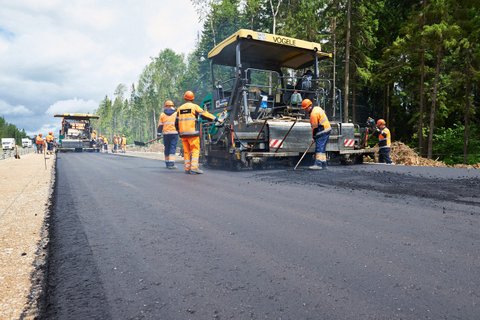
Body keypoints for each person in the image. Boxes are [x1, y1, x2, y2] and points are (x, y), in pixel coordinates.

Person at [176, 90, 216, 174]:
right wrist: (215, 118)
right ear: (192, 98)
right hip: (192, 133)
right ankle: (194, 168)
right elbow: (204, 114)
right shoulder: (194, 107)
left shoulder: (179, 109)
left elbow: (176, 123)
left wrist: (179, 131)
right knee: (195, 149)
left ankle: (187, 168)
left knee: (186, 151)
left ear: (185, 98)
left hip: (183, 134)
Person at [301, 99, 331, 170]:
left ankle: (318, 164)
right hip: (327, 129)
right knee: (322, 148)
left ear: (309, 107)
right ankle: (323, 164)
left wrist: (313, 137)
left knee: (319, 147)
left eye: (305, 109)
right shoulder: (318, 108)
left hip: (322, 130)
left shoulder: (313, 114)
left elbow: (314, 128)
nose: (305, 110)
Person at [158, 100, 179, 169]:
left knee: (167, 148)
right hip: (174, 134)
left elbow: (160, 126)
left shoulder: (162, 114)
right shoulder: (176, 113)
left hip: (166, 134)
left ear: (165, 106)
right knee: (172, 148)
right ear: (172, 106)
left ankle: (167, 163)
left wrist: (158, 134)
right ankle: (171, 164)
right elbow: (178, 124)